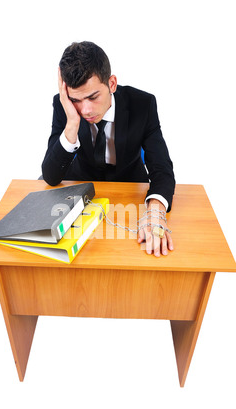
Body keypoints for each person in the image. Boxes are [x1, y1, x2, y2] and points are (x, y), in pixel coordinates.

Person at [42, 41, 175, 257]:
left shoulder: (143, 104)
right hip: (82, 191)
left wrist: (155, 212)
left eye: (93, 97)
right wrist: (72, 123)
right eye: (76, 100)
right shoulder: (64, 106)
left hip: (130, 188)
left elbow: (162, 167)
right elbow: (50, 175)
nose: (86, 110)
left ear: (112, 84)